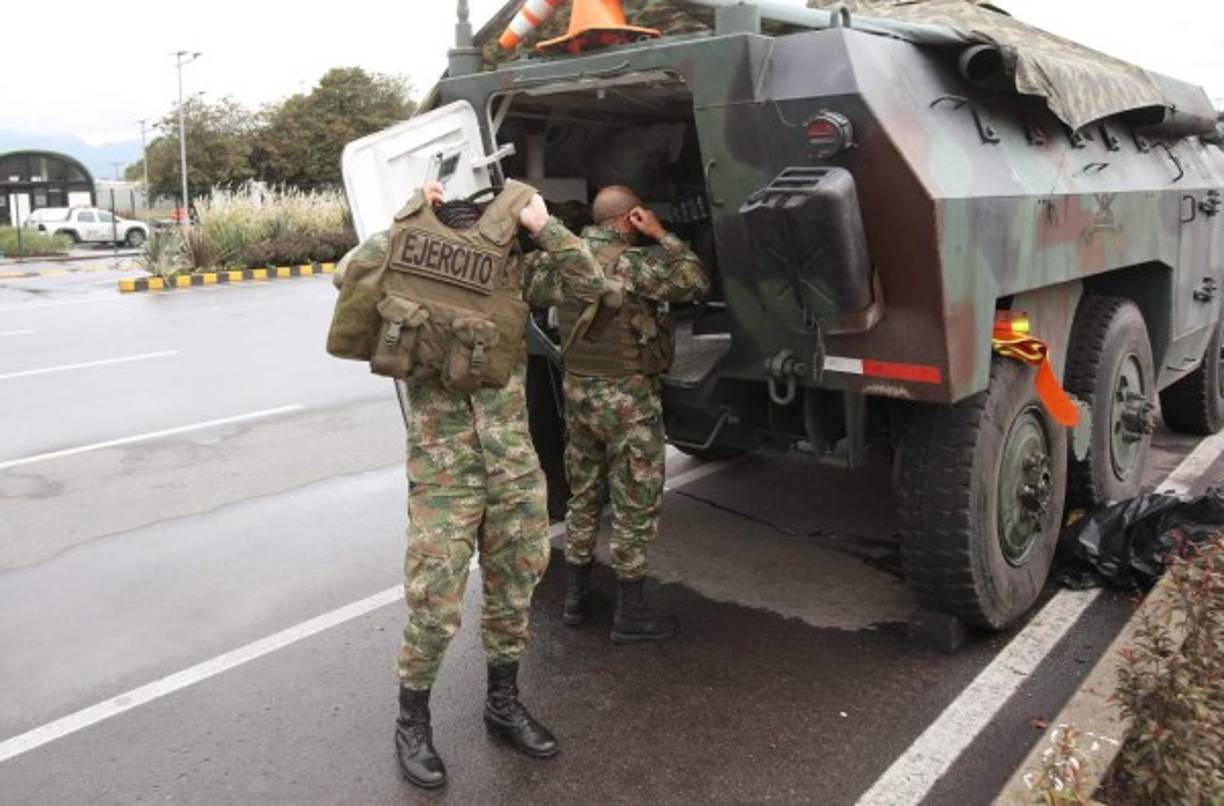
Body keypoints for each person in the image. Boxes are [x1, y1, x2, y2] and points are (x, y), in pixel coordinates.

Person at [330, 179, 607, 790]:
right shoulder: (402, 259)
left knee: (514, 593)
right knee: (434, 605)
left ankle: (502, 703)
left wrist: (543, 226)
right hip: (444, 475)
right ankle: (412, 723)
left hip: (512, 468)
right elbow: (347, 273)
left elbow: (592, 287)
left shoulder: (517, 274)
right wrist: (407, 218)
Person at [529, 185, 708, 643]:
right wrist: (662, 233)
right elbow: (694, 279)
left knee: (584, 496)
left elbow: (524, 284)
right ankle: (631, 612)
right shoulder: (636, 264)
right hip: (628, 402)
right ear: (631, 218)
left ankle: (577, 598)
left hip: (579, 397)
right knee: (634, 502)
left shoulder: (559, 262)